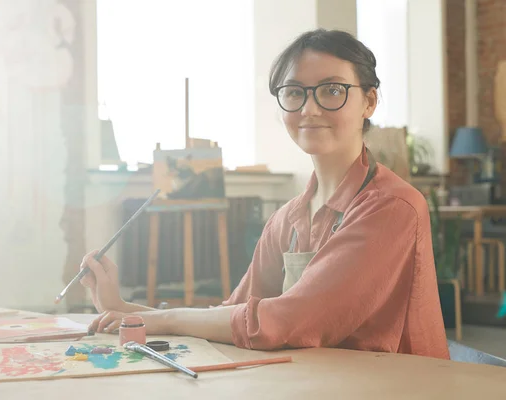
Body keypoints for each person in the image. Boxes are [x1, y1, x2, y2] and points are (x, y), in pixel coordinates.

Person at [80, 29, 450, 360]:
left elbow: (287, 321)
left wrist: (158, 320)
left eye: (332, 90)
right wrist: (124, 308)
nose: (309, 108)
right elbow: (235, 312)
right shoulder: (288, 218)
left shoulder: (392, 207)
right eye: (294, 92)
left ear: (369, 101)